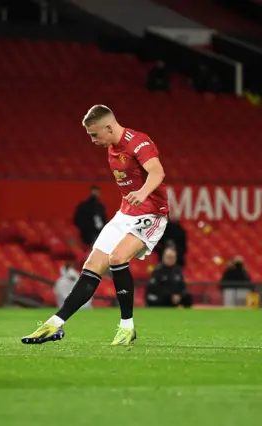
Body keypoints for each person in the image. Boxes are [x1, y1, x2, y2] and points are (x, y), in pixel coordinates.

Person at [22, 105, 168, 346]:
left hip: (152, 214)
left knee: (118, 258)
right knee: (91, 266)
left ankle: (126, 327)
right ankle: (55, 324)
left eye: (94, 134)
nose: (92, 140)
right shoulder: (111, 147)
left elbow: (157, 172)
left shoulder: (139, 143)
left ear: (109, 127)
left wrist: (142, 193)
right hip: (125, 214)